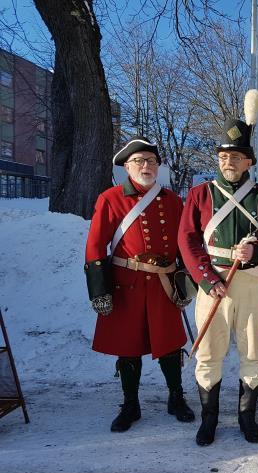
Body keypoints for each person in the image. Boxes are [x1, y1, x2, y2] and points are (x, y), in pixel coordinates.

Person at [178, 116, 258, 446]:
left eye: (236, 156)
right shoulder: (200, 195)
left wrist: (257, 249)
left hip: (253, 283)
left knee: (253, 351)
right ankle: (209, 418)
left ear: (249, 162)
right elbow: (188, 241)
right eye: (224, 156)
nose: (229, 162)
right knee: (209, 353)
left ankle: (247, 416)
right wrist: (206, 278)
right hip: (212, 284)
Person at [85, 137, 195, 433]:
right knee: (128, 348)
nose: (146, 166)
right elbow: (95, 246)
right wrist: (99, 289)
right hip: (126, 285)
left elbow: (184, 244)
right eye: (139, 161)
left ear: (158, 166)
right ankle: (131, 404)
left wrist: (185, 282)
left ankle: (176, 398)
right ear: (126, 166)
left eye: (151, 161)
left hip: (162, 285)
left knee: (170, 344)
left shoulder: (172, 200)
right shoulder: (110, 198)